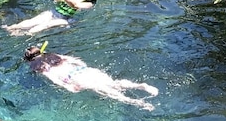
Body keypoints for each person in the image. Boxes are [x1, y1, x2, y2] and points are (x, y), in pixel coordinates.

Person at [23, 46, 158, 111]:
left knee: (112, 94)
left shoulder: (38, 66)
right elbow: (73, 60)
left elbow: (54, 78)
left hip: (76, 78)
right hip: (85, 70)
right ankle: (141, 86)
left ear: (29, 60)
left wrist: (68, 86)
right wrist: (83, 66)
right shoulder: (52, 55)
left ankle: (141, 103)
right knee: (114, 83)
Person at [4, 0, 98, 35]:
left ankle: (25, 34)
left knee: (46, 25)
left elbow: (75, 5)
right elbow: (57, 0)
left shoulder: (89, 2)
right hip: (55, 12)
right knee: (33, 21)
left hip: (68, 19)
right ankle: (12, 27)